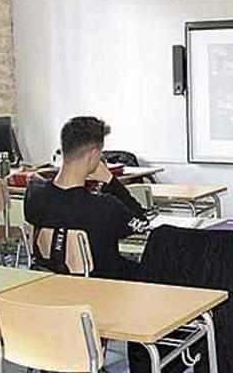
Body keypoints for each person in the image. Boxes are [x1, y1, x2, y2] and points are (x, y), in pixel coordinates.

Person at [24, 116, 148, 279]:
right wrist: (111, 180)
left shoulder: (34, 196)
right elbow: (140, 222)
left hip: (53, 283)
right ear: (94, 154)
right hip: (108, 286)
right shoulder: (104, 207)